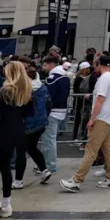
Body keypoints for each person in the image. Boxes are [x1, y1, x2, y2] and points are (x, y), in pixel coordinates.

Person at [61, 55, 110, 192]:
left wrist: (92, 118)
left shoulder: (103, 79)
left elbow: (100, 100)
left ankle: (77, 180)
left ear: (99, 65)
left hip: (102, 118)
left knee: (91, 150)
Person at [0, 62, 33, 218]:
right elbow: (29, 113)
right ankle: (6, 204)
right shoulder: (26, 90)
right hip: (16, 131)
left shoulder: (6, 90)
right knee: (5, 167)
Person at [14, 63, 49, 188]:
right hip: (40, 123)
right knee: (32, 148)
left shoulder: (24, 90)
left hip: (26, 125)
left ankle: (18, 180)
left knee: (21, 152)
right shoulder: (43, 88)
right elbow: (48, 104)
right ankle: (44, 170)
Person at [40, 55, 69, 185]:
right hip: (61, 110)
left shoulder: (53, 78)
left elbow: (48, 96)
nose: (43, 68)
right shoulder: (65, 77)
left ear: (51, 64)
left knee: (49, 140)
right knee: (51, 139)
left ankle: (50, 165)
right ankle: (47, 163)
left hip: (53, 111)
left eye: (45, 65)